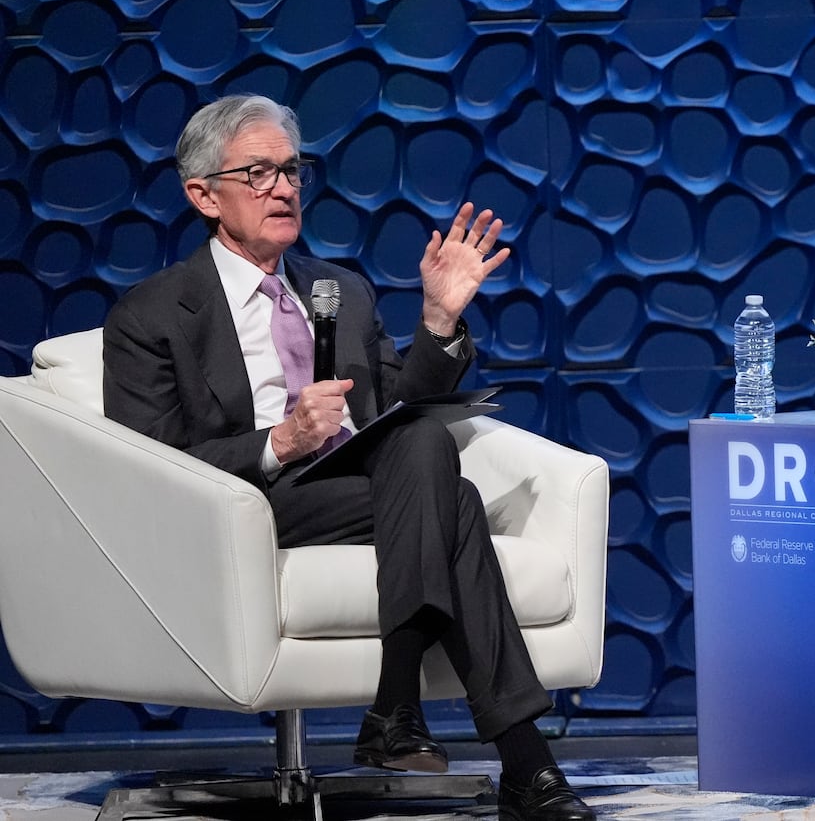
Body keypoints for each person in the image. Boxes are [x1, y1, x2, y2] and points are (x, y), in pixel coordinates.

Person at [102, 95, 594, 821]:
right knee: (451, 500)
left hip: (368, 494)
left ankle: (407, 712)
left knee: (427, 450)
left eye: (292, 171)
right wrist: (279, 443)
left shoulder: (345, 293)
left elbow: (401, 411)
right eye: (259, 172)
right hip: (249, 504)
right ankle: (507, 757)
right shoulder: (150, 315)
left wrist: (438, 321)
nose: (285, 187)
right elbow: (150, 462)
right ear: (203, 194)